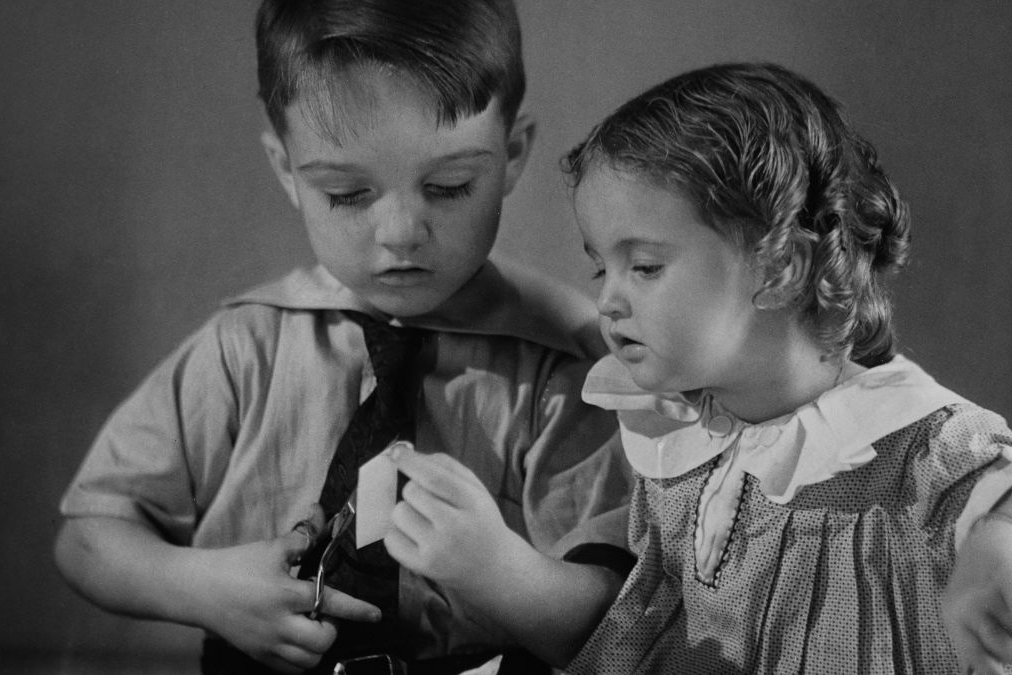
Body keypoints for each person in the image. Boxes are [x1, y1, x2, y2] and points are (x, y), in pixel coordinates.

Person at [52, 2, 634, 673]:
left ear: (510, 156)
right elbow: (87, 537)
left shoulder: (569, 367)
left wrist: (500, 570)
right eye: (349, 193)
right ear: (285, 170)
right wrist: (206, 588)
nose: (401, 231)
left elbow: (616, 622)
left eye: (449, 186)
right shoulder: (243, 350)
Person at [558, 62, 1012, 674]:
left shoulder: (902, 446)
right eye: (599, 268)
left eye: (645, 267)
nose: (608, 298)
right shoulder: (690, 435)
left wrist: (1002, 547)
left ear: (780, 268)